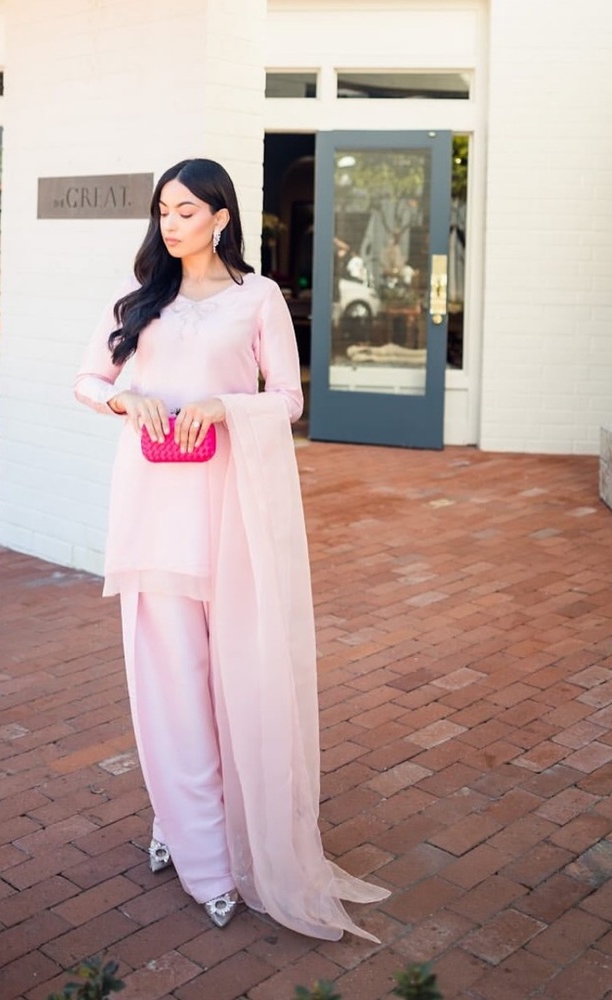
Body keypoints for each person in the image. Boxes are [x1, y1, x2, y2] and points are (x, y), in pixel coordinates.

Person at [74, 158, 389, 940]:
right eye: (163, 212)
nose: (170, 224)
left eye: (185, 211)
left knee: (235, 675)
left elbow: (288, 399)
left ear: (220, 217)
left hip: (230, 510)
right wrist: (124, 395)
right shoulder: (138, 300)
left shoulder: (258, 298)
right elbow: (87, 378)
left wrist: (223, 406)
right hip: (155, 509)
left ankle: (208, 829)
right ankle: (202, 855)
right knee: (170, 678)